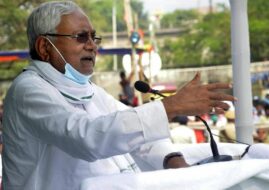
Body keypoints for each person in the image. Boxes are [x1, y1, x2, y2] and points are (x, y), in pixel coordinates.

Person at [2, 1, 235, 190]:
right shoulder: (28, 90)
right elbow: (87, 138)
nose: (93, 46)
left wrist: (173, 160)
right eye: (81, 37)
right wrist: (170, 107)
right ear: (45, 47)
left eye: (94, 37)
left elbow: (135, 128)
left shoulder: (91, 90)